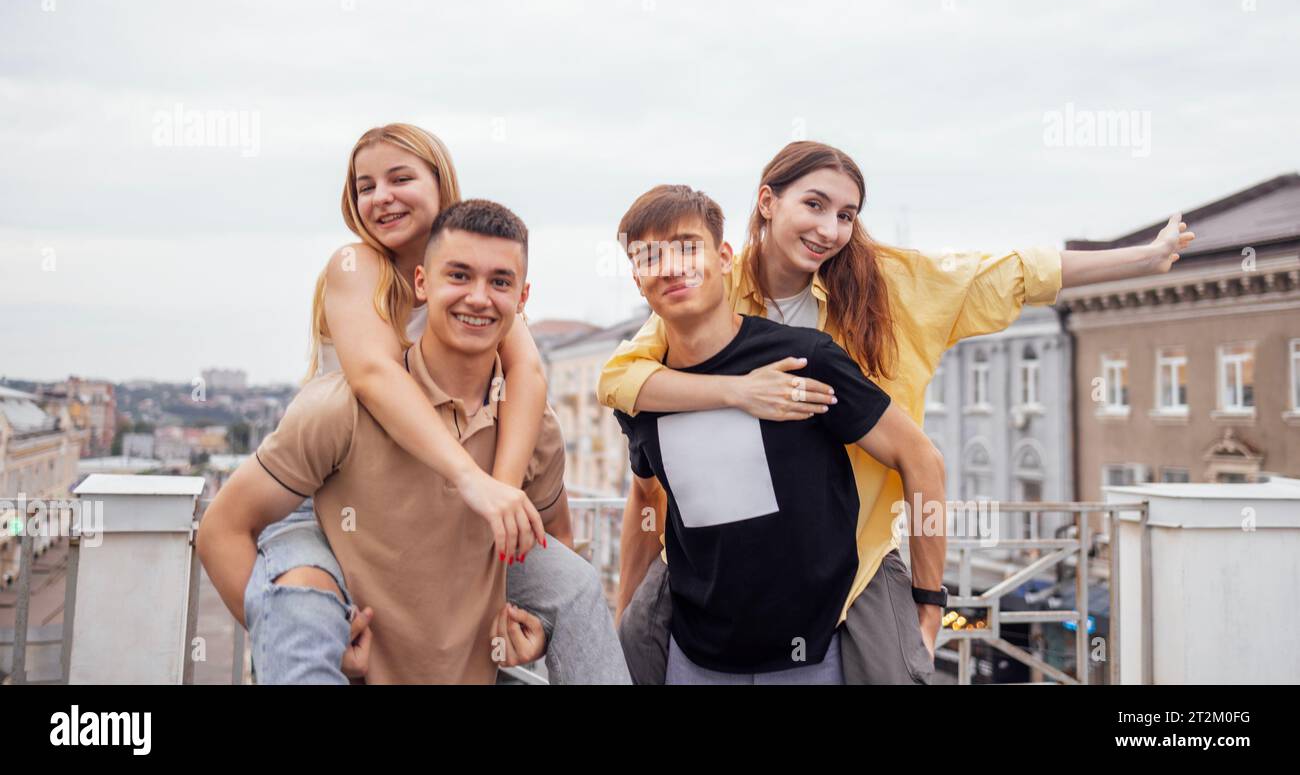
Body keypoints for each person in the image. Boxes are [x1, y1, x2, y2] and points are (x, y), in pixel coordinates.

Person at [602, 140, 1195, 684]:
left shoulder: (890, 285)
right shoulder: (708, 286)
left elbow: (1017, 273)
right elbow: (623, 379)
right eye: (813, 204)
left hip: (852, 541)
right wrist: (739, 392)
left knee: (897, 669)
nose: (829, 228)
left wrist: (1144, 258)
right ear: (767, 202)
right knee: (631, 645)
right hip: (722, 551)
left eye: (846, 214)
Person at [213, 122, 629, 683]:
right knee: (300, 611)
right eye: (365, 186)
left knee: (575, 585)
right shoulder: (357, 267)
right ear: (424, 282)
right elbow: (374, 375)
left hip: (439, 494)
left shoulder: (479, 279)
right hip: (335, 486)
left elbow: (527, 373)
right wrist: (470, 478)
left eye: (399, 178)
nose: (380, 196)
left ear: (442, 184)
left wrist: (498, 497)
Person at [611, 185, 945, 684]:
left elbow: (920, 459)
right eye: (650, 256)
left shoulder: (804, 357)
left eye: (687, 246)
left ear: (724, 257)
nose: (672, 266)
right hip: (695, 658)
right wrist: (625, 614)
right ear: (638, 278)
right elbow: (645, 498)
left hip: (811, 657)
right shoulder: (645, 392)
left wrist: (930, 605)